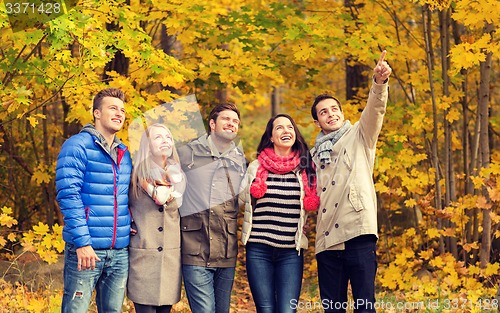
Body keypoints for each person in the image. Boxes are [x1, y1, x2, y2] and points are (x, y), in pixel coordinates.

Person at [310, 51, 392, 313]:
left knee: (364, 307)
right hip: (327, 240)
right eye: (324, 112)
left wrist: (379, 84)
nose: (331, 114)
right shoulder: (311, 156)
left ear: (342, 112)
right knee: (332, 308)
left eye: (334, 109)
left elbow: (375, 110)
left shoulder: (360, 135)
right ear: (317, 121)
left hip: (358, 231)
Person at [55, 87, 132, 313]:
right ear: (97, 113)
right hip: (87, 250)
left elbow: (125, 197)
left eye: (122, 110)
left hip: (119, 252)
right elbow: (69, 196)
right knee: (75, 309)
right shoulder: (77, 146)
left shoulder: (124, 153)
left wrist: (130, 224)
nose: (119, 113)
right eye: (113, 108)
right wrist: (82, 242)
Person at [240, 114, 319, 313]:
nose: (286, 131)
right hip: (259, 249)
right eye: (279, 128)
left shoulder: (306, 168)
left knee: (287, 310)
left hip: (290, 252)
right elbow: (242, 201)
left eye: (290, 127)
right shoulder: (256, 167)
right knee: (265, 309)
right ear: (271, 137)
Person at [177, 103, 246, 313]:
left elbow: (244, 202)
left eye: (235, 122)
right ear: (213, 124)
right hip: (194, 246)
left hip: (226, 250)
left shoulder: (240, 161)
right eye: (226, 119)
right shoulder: (186, 154)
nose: (231, 124)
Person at [127, 123, 186, 313]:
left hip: (170, 259)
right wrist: (124, 221)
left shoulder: (180, 177)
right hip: (143, 256)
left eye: (168, 137)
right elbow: (118, 204)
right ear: (147, 144)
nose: (165, 140)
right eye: (158, 137)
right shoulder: (135, 175)